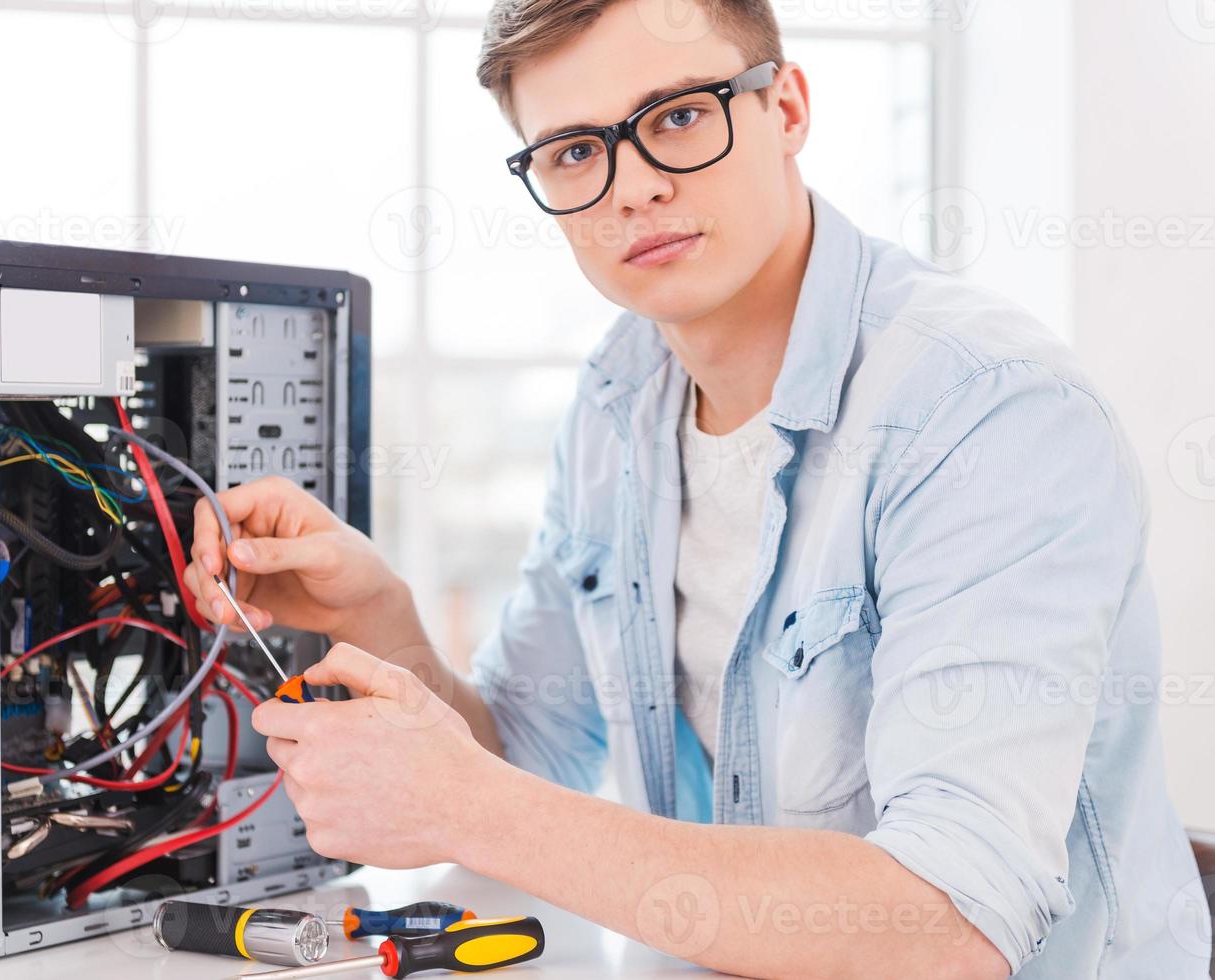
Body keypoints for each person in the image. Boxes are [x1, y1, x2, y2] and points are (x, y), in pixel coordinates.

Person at [186, 0, 1207, 975]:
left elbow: (945, 920)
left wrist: (474, 807)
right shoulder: (617, 396)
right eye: (575, 150)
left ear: (786, 108)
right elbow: (528, 761)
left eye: (677, 117)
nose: (630, 188)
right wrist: (377, 612)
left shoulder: (985, 410)